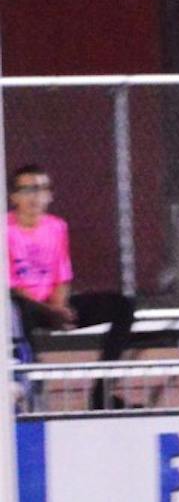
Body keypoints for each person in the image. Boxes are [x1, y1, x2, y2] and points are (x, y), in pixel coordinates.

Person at [7, 164, 137, 409]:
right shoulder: (6, 229)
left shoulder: (56, 227)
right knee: (15, 308)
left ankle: (102, 392)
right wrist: (50, 311)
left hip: (52, 305)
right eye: (28, 189)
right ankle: (29, 389)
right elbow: (10, 286)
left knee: (123, 306)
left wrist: (59, 306)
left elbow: (62, 274)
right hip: (23, 307)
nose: (35, 196)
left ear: (50, 195)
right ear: (14, 196)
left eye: (42, 188)